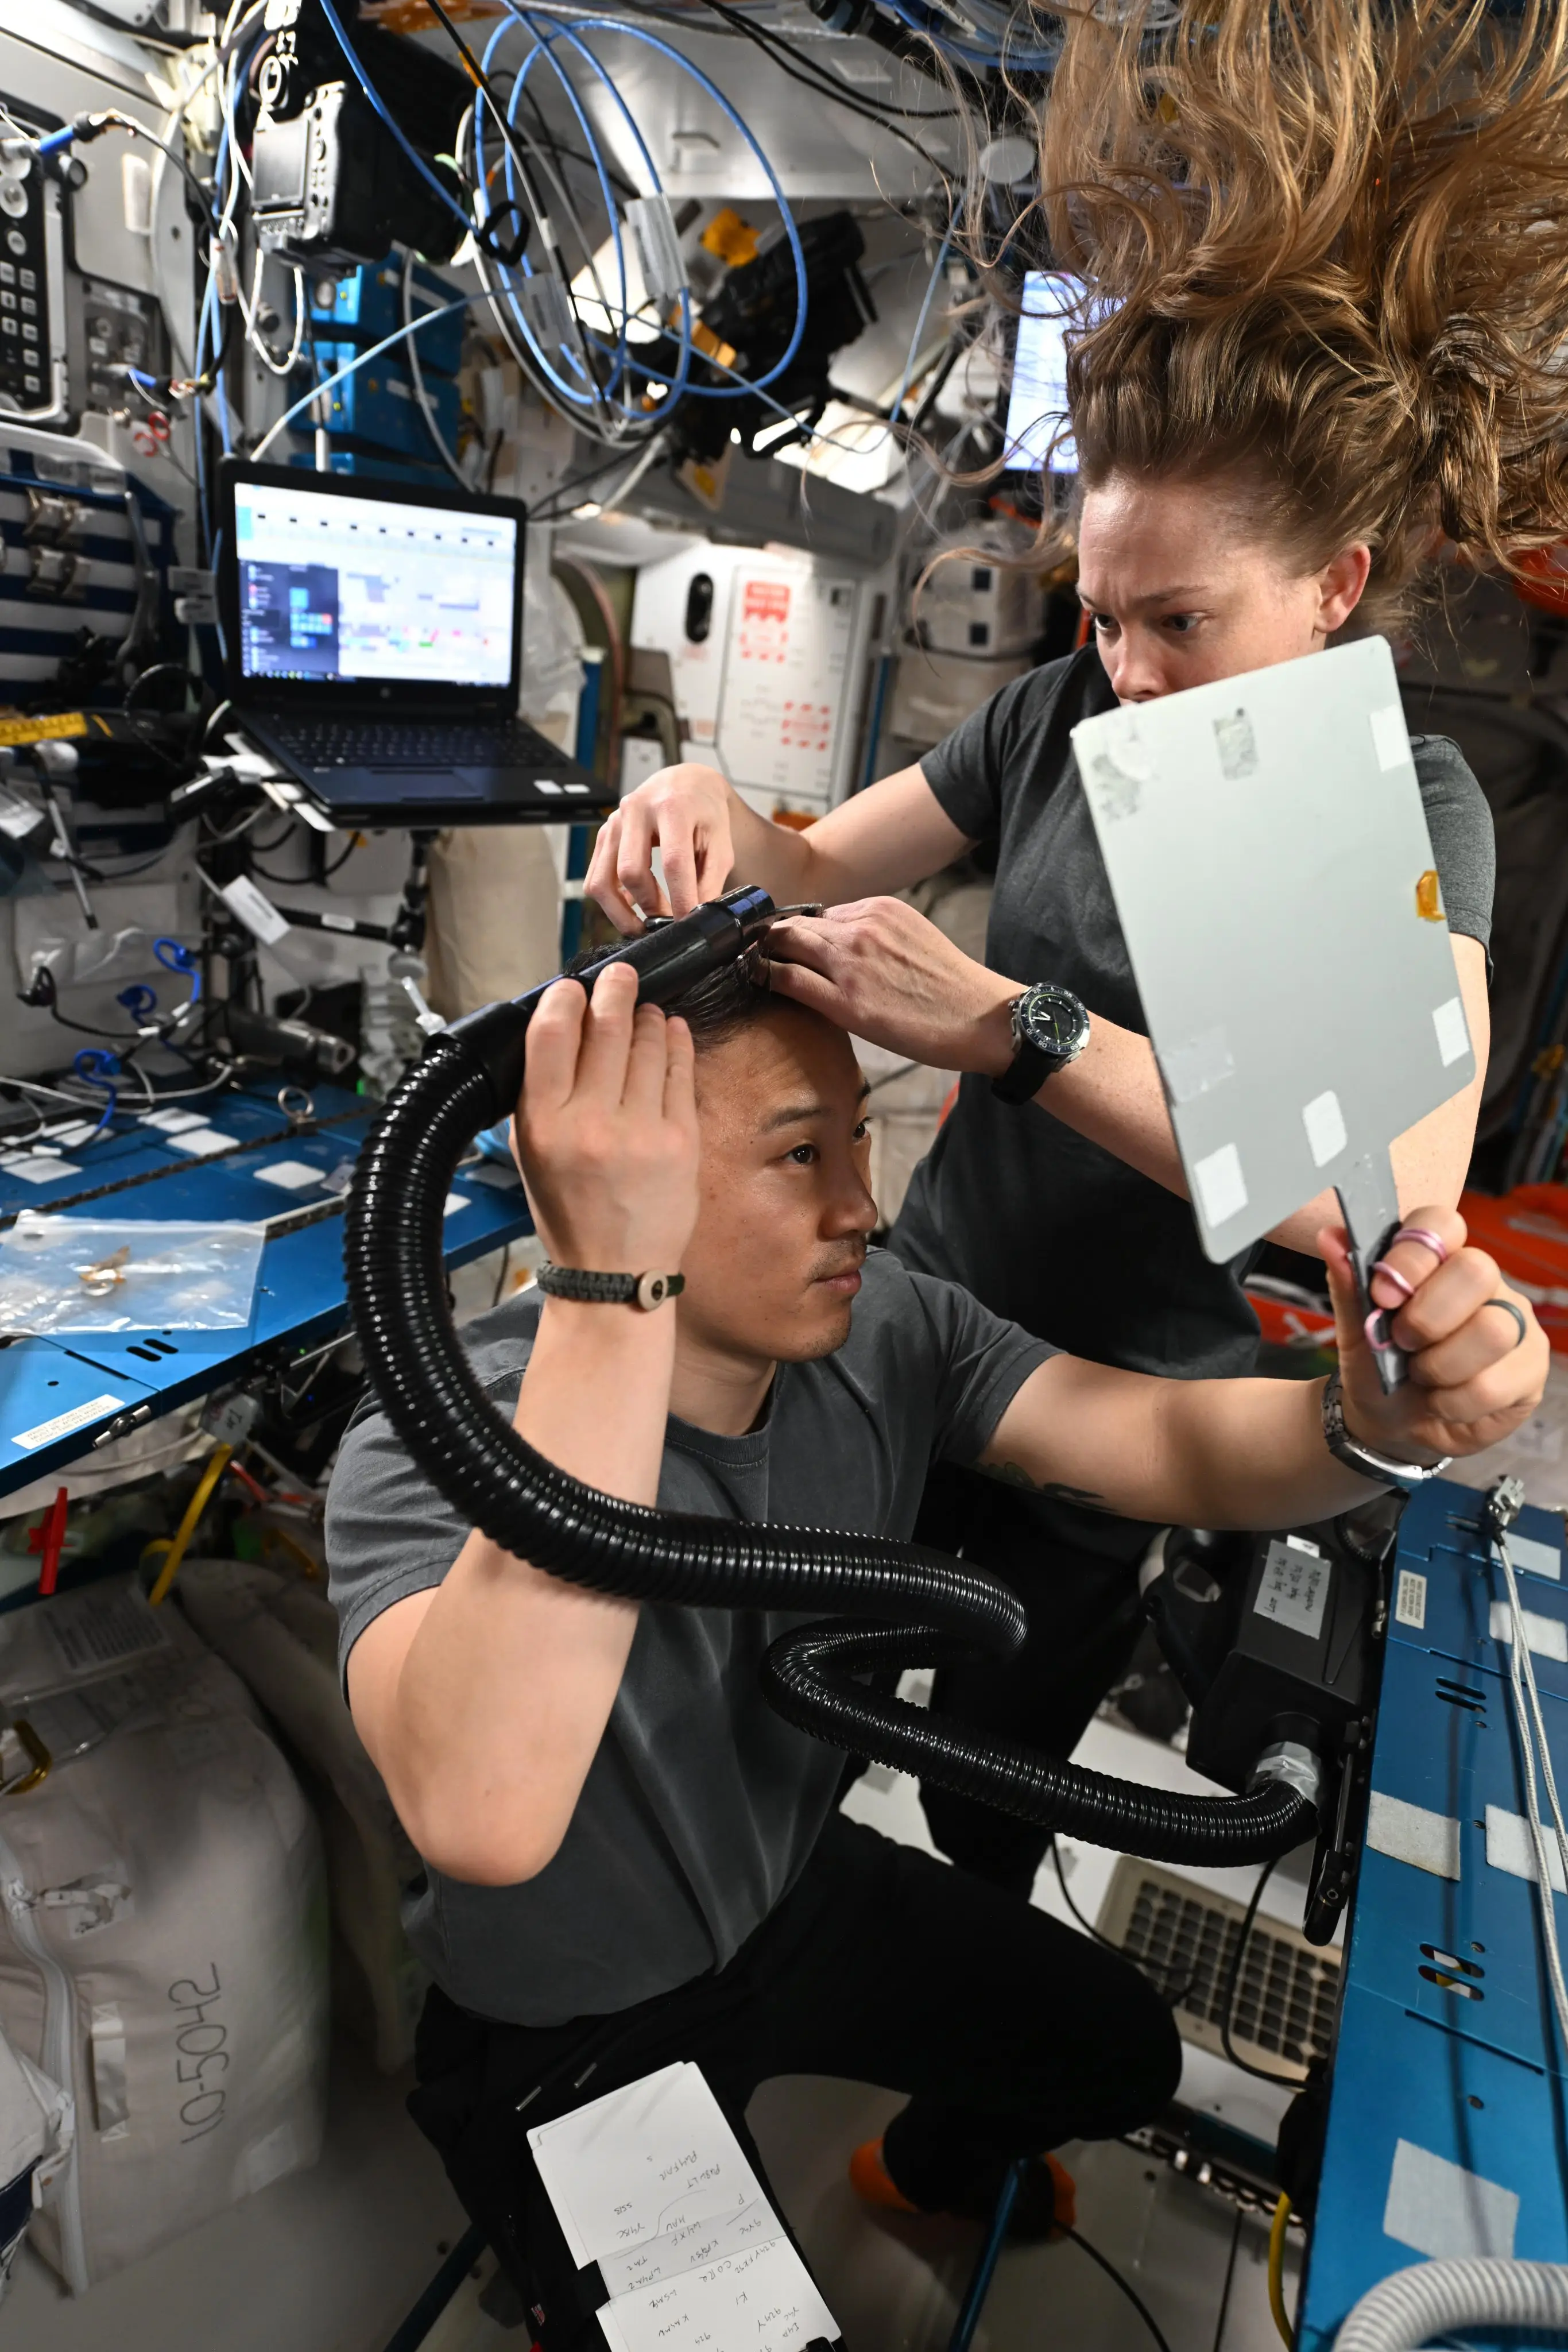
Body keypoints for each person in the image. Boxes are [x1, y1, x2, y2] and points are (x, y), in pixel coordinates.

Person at [582, 0, 1568, 1894]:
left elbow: (1376, 1193)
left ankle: (962, 2079)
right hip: (912, 1326)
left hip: (1123, 1402)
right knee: (797, 1688)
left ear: (1334, 585)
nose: (1127, 668)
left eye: (1176, 621)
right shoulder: (1058, 721)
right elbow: (813, 859)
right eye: (1103, 610)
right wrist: (716, 801)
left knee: (988, 1782)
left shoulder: (1387, 807)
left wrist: (1012, 1029)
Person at [327, 956, 1545, 2341]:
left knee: (1117, 2054)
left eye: (859, 1137)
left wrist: (1379, 1419)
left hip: (787, 1898)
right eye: (801, 1154)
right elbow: (484, 1814)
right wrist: (612, 1284)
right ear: (626, 1180)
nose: (862, 1202)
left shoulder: (886, 1324)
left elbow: (1153, 1437)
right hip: (573, 2021)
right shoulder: (432, 1440)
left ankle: (922, 2175)